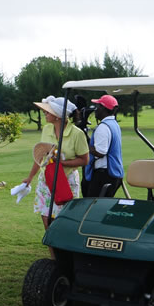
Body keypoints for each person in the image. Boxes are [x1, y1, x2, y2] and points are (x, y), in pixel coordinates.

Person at [22, 95, 89, 259]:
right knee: (46, 219)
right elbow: (41, 156)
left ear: (58, 115)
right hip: (47, 180)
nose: (44, 113)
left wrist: (63, 163)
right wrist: (29, 178)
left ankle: (68, 255)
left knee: (64, 220)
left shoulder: (77, 134)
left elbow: (84, 160)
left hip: (66, 181)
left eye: (48, 111)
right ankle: (55, 258)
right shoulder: (46, 130)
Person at [83, 94, 124, 198]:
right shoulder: (114, 124)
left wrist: (86, 147)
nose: (95, 110)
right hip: (113, 173)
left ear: (104, 109)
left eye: (98, 107)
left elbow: (100, 152)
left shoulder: (103, 127)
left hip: (104, 175)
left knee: (93, 206)